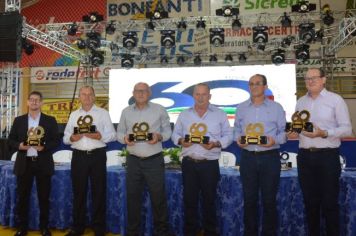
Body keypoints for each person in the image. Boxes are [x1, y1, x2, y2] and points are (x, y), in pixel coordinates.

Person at [287, 68, 352, 236]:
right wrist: (293, 132)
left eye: (314, 78)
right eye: (307, 78)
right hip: (305, 157)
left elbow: (347, 129)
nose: (310, 81)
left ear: (324, 79)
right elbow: (298, 127)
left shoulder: (335, 100)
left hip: (327, 157)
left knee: (330, 203)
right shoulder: (300, 102)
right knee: (310, 203)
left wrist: (324, 133)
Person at [171, 83, 233, 236]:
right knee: (189, 201)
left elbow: (228, 136)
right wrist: (181, 141)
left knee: (209, 201)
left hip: (209, 165)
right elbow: (175, 134)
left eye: (204, 94)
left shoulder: (220, 114)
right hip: (189, 164)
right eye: (197, 94)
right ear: (193, 96)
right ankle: (190, 231)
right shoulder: (184, 114)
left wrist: (216, 143)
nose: (200, 97)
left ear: (209, 96)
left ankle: (210, 232)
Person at [116, 82, 172, 236]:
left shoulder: (159, 110)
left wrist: (159, 136)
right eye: (137, 91)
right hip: (133, 160)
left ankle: (161, 232)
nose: (140, 94)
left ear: (150, 93)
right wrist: (125, 138)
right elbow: (119, 133)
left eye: (144, 91)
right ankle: (133, 232)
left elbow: (168, 131)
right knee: (132, 197)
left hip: (154, 159)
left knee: (158, 197)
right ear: (133, 93)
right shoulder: (126, 112)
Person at [233, 74, 286, 236]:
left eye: (257, 83)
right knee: (249, 200)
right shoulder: (241, 108)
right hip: (248, 157)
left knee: (269, 200)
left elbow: (284, 134)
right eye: (251, 84)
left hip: (269, 157)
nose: (254, 86)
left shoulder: (276, 108)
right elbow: (236, 130)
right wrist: (238, 140)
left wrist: (273, 141)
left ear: (265, 86)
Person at [63, 86, 116, 236]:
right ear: (79, 97)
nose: (86, 97)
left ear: (94, 96)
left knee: (98, 192)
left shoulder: (103, 113)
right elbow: (66, 137)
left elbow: (112, 134)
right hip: (78, 156)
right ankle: (77, 227)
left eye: (89, 94)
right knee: (79, 192)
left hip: (97, 155)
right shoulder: (74, 115)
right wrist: (72, 138)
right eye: (83, 94)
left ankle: (99, 228)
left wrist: (100, 136)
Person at [8, 91, 60, 236]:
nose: (34, 102)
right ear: (27, 102)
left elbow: (56, 140)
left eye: (37, 100)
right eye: (31, 99)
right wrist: (19, 145)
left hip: (43, 163)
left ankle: (44, 227)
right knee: (23, 197)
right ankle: (22, 228)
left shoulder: (50, 120)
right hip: (24, 163)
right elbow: (11, 140)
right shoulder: (19, 120)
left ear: (42, 103)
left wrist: (44, 147)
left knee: (44, 197)